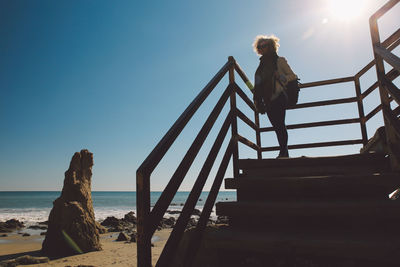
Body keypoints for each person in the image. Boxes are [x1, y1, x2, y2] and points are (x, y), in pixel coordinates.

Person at [252, 35, 298, 158]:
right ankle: (284, 152)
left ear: (271, 46)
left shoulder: (280, 61)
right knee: (277, 126)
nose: (261, 48)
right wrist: (257, 100)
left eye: (263, 45)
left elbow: (293, 76)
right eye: (259, 46)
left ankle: (283, 152)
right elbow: (257, 85)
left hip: (279, 96)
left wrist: (282, 77)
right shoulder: (260, 67)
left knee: (280, 124)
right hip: (268, 100)